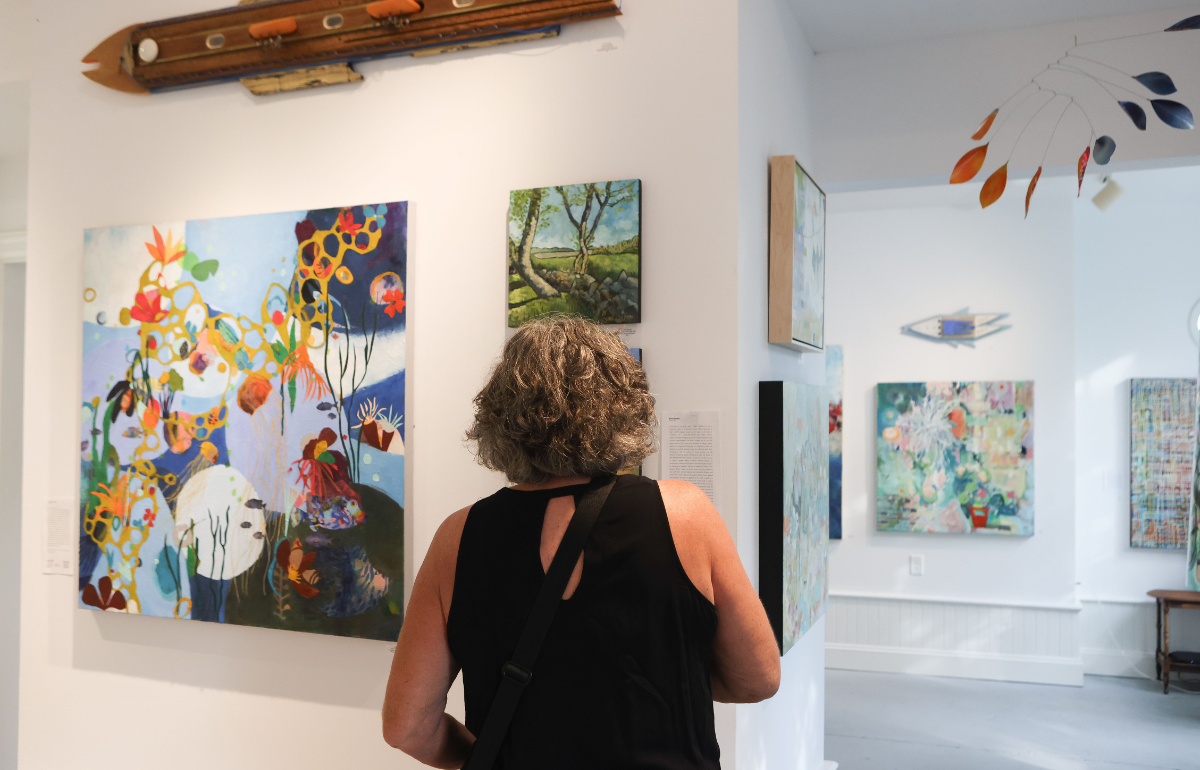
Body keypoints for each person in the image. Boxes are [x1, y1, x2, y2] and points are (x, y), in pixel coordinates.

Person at [382, 316, 780, 769]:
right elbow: (758, 679)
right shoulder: (684, 514)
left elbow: (407, 727)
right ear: (625, 406)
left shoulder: (458, 536)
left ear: (499, 417)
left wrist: (490, 755)